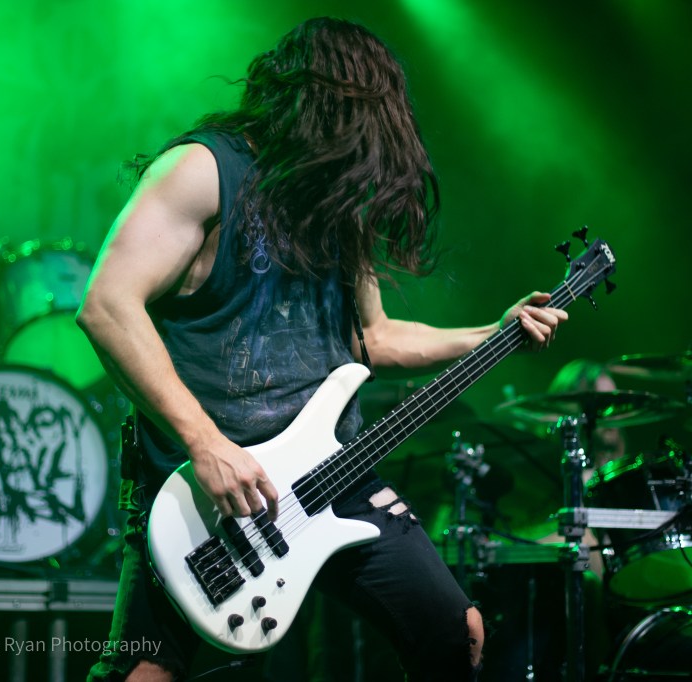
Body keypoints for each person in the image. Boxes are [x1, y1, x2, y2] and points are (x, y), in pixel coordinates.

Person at [77, 17, 568, 682]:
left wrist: (494, 333)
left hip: (333, 474)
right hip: (208, 490)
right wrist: (205, 442)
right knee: (146, 675)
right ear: (324, 107)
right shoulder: (204, 171)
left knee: (456, 634)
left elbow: (375, 338)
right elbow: (108, 305)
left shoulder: (335, 208)